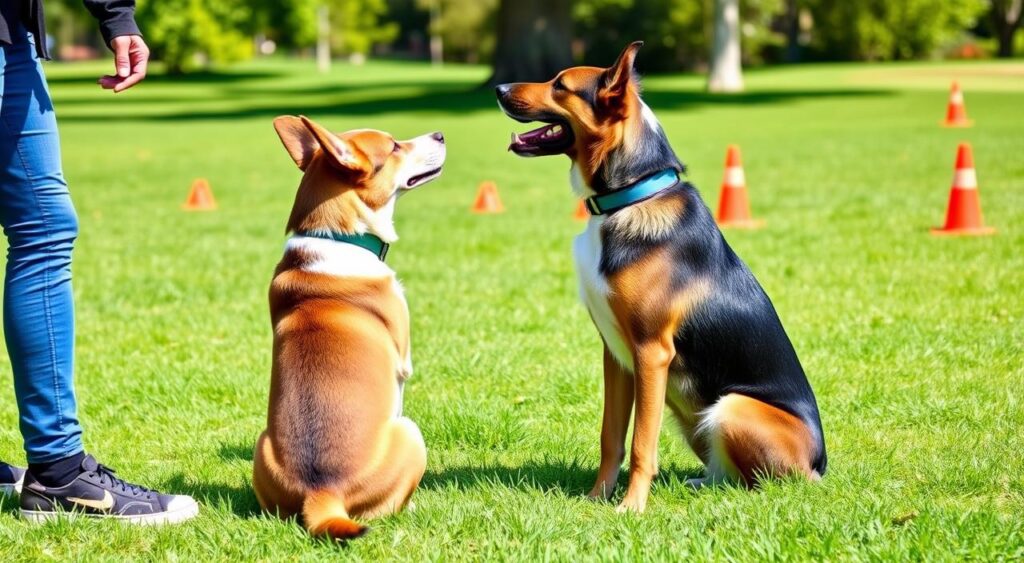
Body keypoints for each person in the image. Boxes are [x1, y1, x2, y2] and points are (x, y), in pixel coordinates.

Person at [0, 0, 198, 524]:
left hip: (11, 31)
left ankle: (57, 471)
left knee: (45, 226)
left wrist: (116, 15)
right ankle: (61, 473)